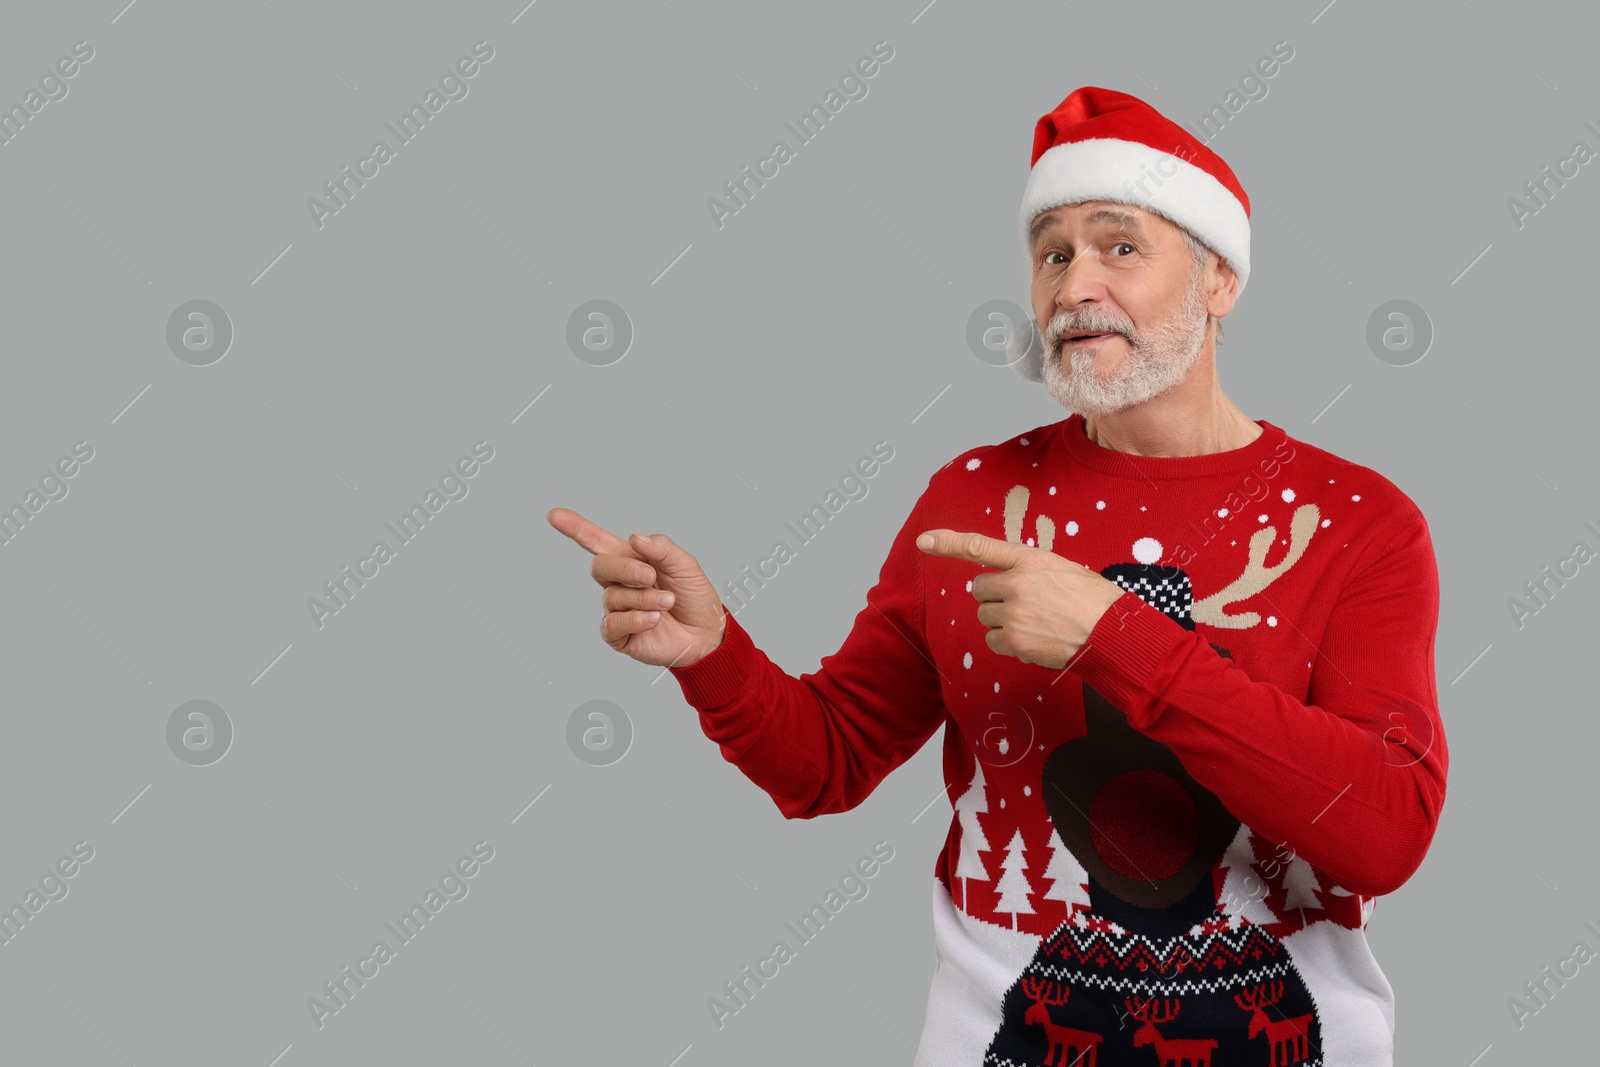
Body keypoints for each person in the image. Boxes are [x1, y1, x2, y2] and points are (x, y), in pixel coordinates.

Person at [549, 86, 1446, 1067]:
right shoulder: (971, 497)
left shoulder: (1357, 520)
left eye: (1120, 247)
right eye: (1051, 254)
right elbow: (828, 761)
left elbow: (1384, 834)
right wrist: (712, 653)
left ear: (1220, 278)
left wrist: (1111, 634)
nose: (1073, 286)